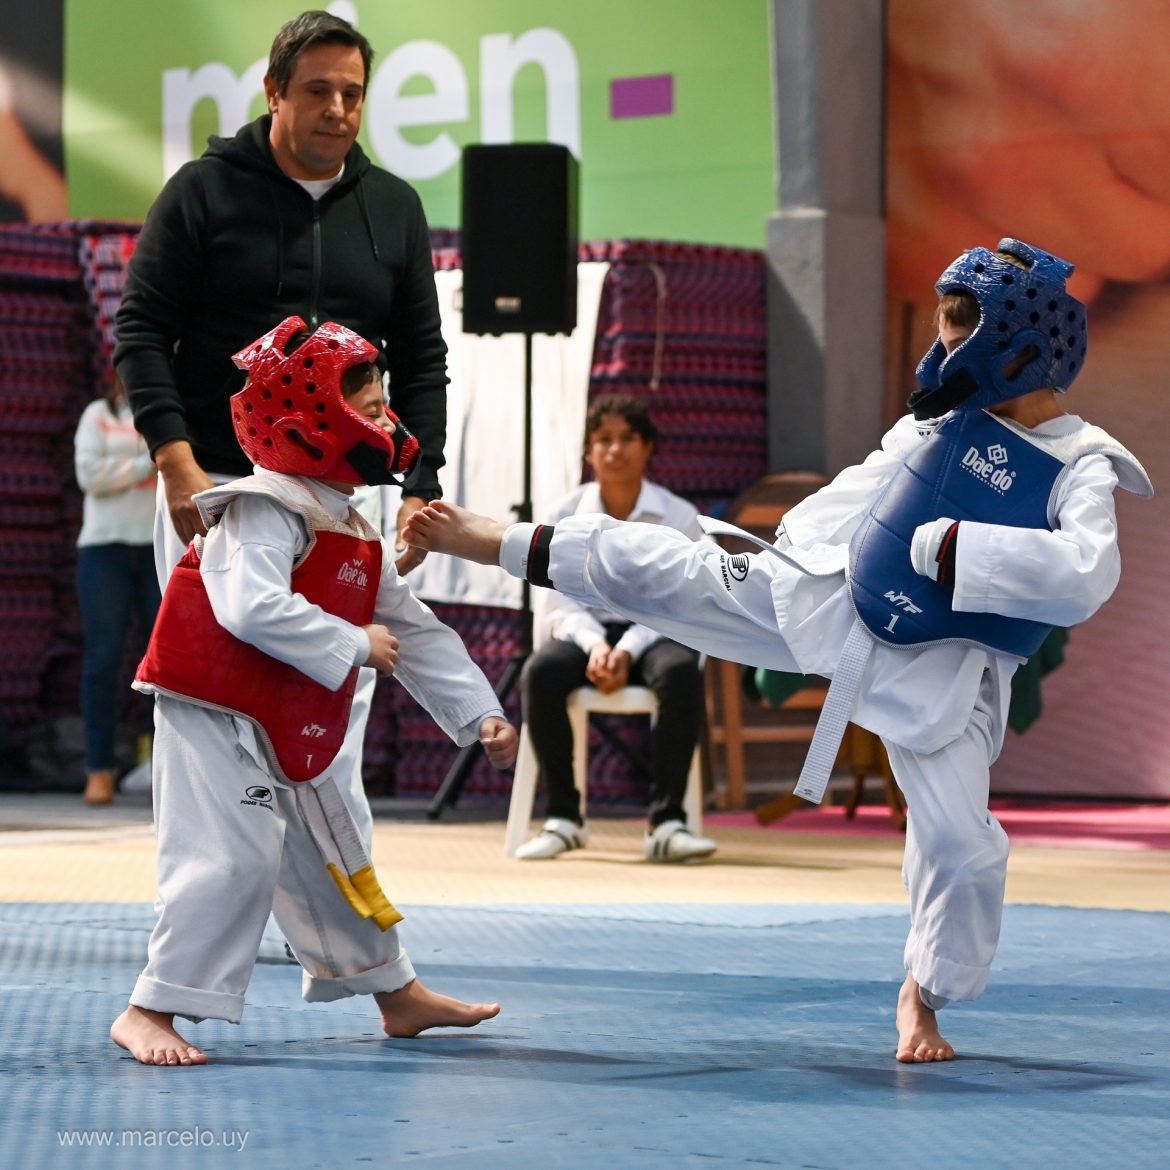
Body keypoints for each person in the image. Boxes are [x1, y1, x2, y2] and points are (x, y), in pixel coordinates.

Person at [402, 240, 1152, 1064]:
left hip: (945, 668)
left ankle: (925, 991)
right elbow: (857, 496)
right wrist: (790, 553)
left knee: (960, 846)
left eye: (957, 329)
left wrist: (954, 549)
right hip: (827, 594)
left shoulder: (1082, 462)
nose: (942, 350)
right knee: (678, 571)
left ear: (1013, 342)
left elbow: (1088, 573)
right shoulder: (937, 418)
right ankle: (499, 540)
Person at [111, 318, 518, 1066]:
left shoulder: (353, 526)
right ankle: (150, 1008)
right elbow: (249, 606)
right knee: (234, 856)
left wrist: (480, 712)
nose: (386, 425)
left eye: (385, 407)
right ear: (312, 422)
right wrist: (354, 644)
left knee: (334, 848)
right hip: (214, 713)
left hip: (281, 711)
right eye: (370, 409)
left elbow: (417, 632)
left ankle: (394, 992)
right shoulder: (262, 506)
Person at [114, 10, 448, 848]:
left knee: (332, 691)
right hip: (216, 486)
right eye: (318, 91)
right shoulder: (201, 192)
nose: (338, 109)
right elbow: (141, 332)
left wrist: (421, 482)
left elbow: (422, 359)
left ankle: (333, 897)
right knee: (209, 696)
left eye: (353, 94)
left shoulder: (395, 208)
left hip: (340, 502)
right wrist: (177, 466)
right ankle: (208, 896)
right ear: (273, 92)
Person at [518, 395, 716, 862]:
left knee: (681, 673)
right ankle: (564, 818)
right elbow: (555, 597)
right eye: (603, 439)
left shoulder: (680, 516)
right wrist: (595, 647)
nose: (614, 450)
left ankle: (667, 824)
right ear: (588, 451)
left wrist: (626, 649)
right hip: (584, 631)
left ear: (648, 447)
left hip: (655, 631)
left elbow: (681, 600)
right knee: (540, 673)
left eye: (628, 438)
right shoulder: (564, 513)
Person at [73, 375, 160, 805]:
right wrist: (150, 464)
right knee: (103, 661)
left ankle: (163, 767)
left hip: (157, 548)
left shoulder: (167, 416)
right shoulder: (98, 414)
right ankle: (99, 769)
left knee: (164, 664)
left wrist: (124, 470)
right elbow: (90, 476)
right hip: (104, 549)